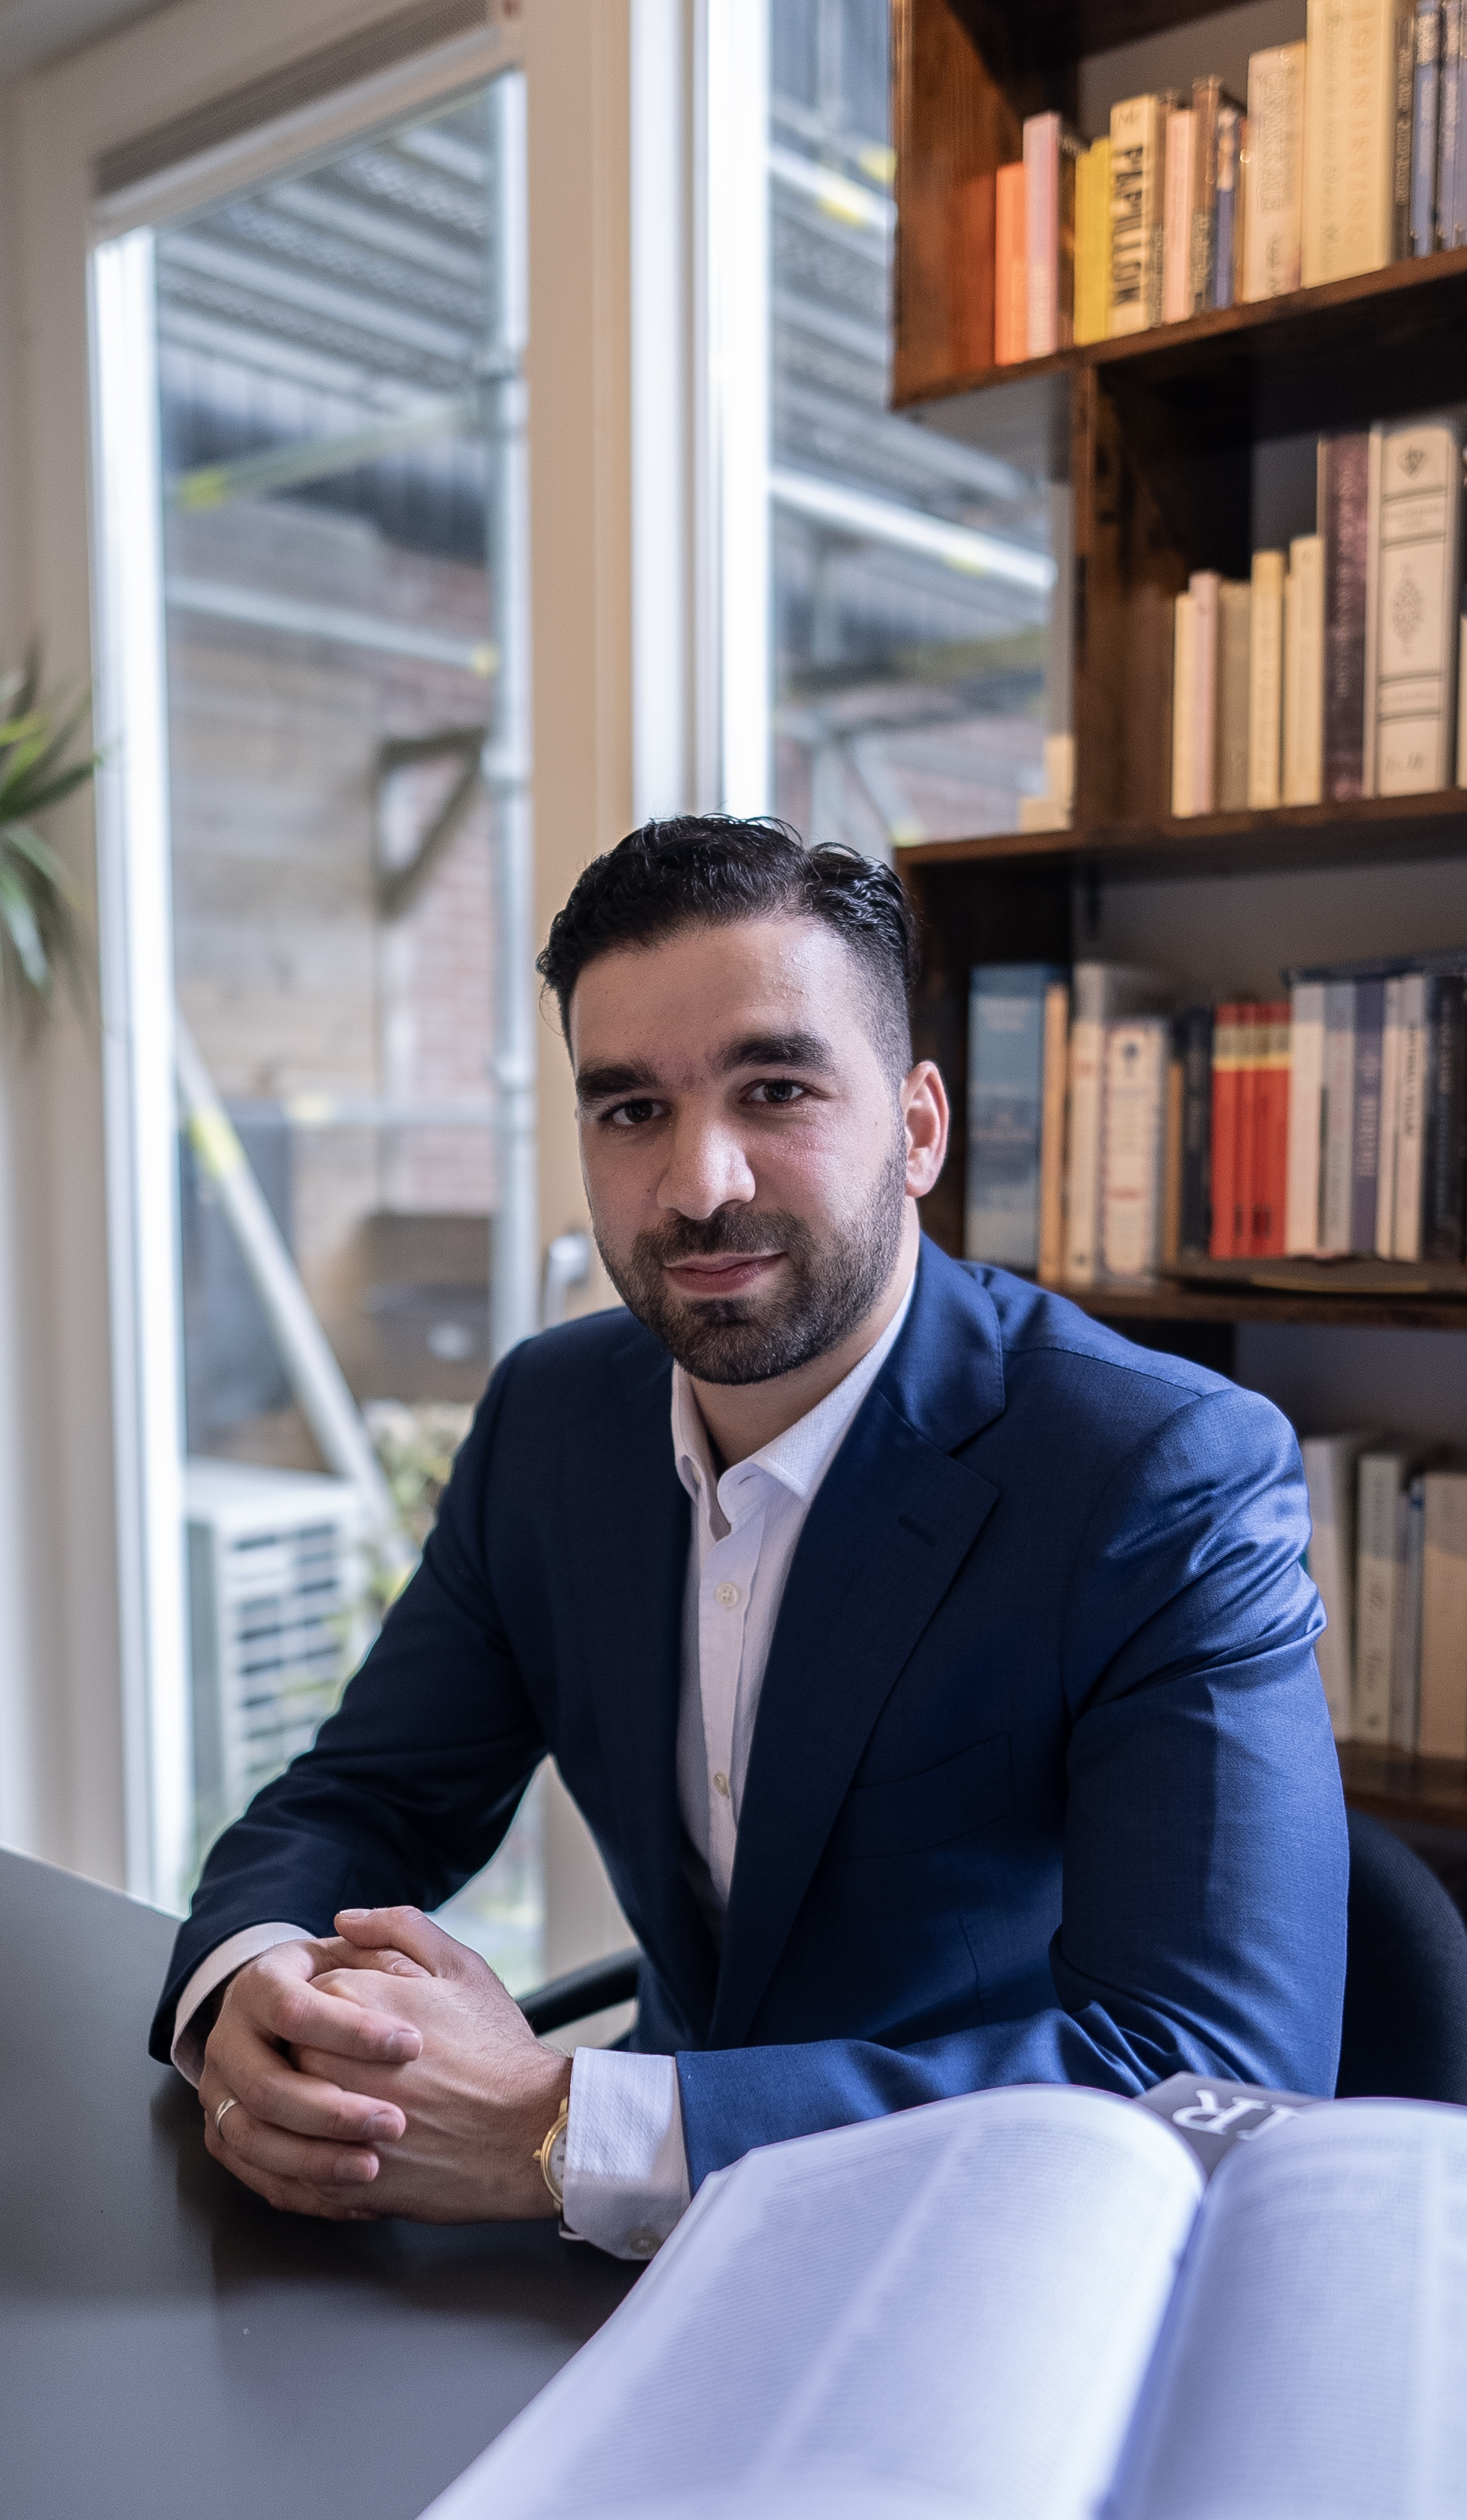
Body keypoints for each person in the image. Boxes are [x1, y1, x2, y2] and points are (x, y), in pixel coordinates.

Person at [153, 818, 1346, 2253]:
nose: (698, 1183)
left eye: (773, 1088)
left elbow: (1213, 2077)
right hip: (628, 2279)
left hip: (990, 2266)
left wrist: (560, 2124)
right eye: (630, 1110)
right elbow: (365, 1802)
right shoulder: (554, 1418)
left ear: (918, 1127)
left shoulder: (1156, 1472)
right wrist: (248, 1994)